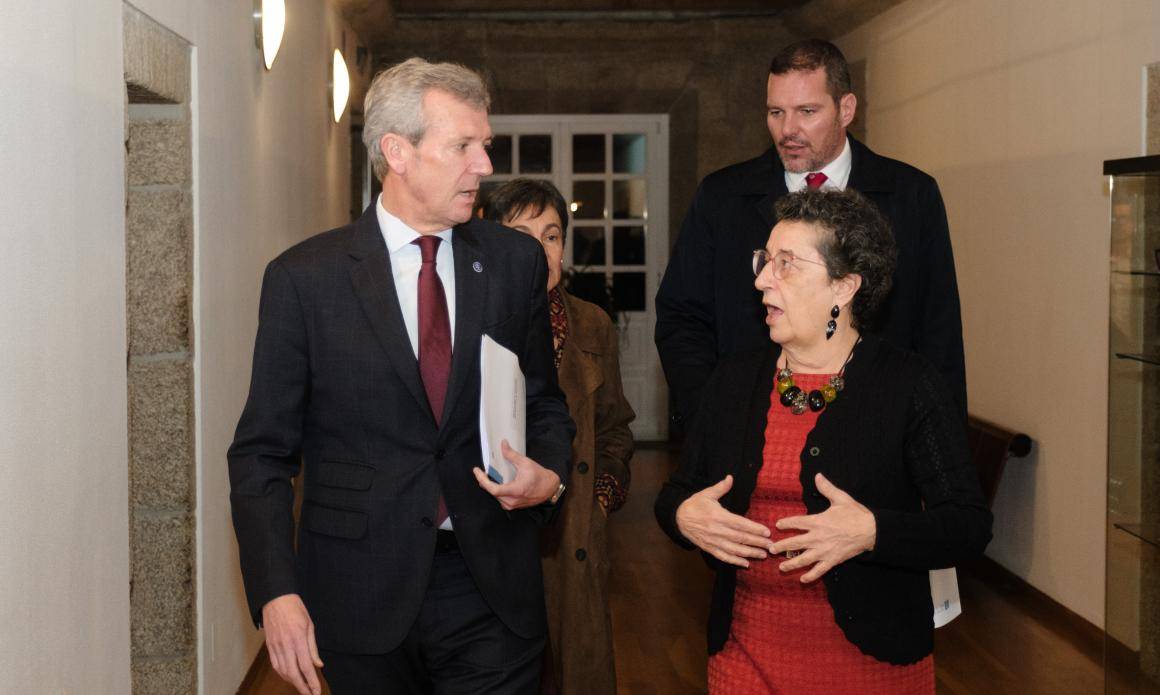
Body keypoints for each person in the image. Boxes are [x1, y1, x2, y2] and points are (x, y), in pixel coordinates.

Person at [228, 58, 576, 695]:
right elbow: (261, 454)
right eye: (463, 146)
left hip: (490, 585)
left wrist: (549, 476)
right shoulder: (305, 280)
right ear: (398, 152)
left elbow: (544, 402)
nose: (484, 165)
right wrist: (276, 591)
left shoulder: (513, 263)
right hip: (358, 592)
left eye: (485, 145)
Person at [654, 189, 991, 694]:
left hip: (872, 665)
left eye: (786, 264)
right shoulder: (733, 380)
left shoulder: (908, 385)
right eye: (765, 260)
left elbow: (967, 525)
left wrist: (872, 530)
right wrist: (684, 516)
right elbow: (676, 493)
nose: (761, 279)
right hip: (744, 654)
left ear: (844, 286)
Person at [655, 38, 966, 430]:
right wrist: (712, 415)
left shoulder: (911, 195)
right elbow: (681, 318)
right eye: (776, 112)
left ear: (845, 109)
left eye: (807, 111)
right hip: (749, 427)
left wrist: (937, 442)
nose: (788, 130)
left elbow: (939, 330)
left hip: (879, 430)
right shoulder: (722, 197)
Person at [484, 178, 635, 695]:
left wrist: (600, 499)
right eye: (522, 236)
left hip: (573, 539)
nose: (540, 251)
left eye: (551, 236)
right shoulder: (472, 322)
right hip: (499, 537)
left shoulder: (592, 325)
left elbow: (615, 428)